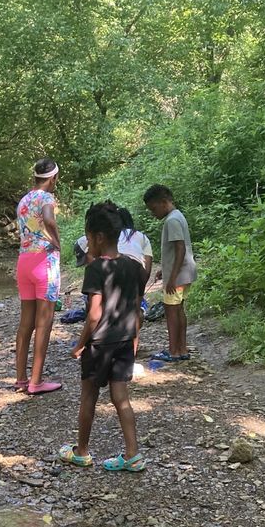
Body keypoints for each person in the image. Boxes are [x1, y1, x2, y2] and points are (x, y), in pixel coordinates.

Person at [58, 201, 147, 472]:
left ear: (98, 237)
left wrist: (80, 344)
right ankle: (132, 455)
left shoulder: (96, 269)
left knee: (88, 397)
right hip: (123, 341)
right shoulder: (133, 266)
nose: (87, 243)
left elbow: (94, 315)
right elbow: (135, 308)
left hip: (99, 345)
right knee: (121, 398)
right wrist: (133, 341)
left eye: (87, 237)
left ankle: (82, 451)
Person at [14, 157, 62, 395]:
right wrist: (57, 242)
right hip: (44, 261)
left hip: (24, 260)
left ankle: (21, 378)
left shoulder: (24, 200)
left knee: (26, 323)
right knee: (45, 322)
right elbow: (49, 220)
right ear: (52, 178)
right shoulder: (47, 198)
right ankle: (36, 382)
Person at [142, 184, 196, 361]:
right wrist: (164, 271)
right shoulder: (178, 216)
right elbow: (176, 251)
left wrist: (171, 277)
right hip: (184, 273)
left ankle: (173, 351)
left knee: (171, 312)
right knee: (179, 310)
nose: (153, 213)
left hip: (177, 277)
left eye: (154, 208)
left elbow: (180, 249)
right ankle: (182, 349)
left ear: (164, 202)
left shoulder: (172, 220)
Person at [117, 206, 153, 354]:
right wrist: (141, 288)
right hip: (137, 271)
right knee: (135, 311)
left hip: (115, 269)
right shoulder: (142, 237)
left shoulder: (111, 235)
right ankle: (132, 351)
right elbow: (148, 266)